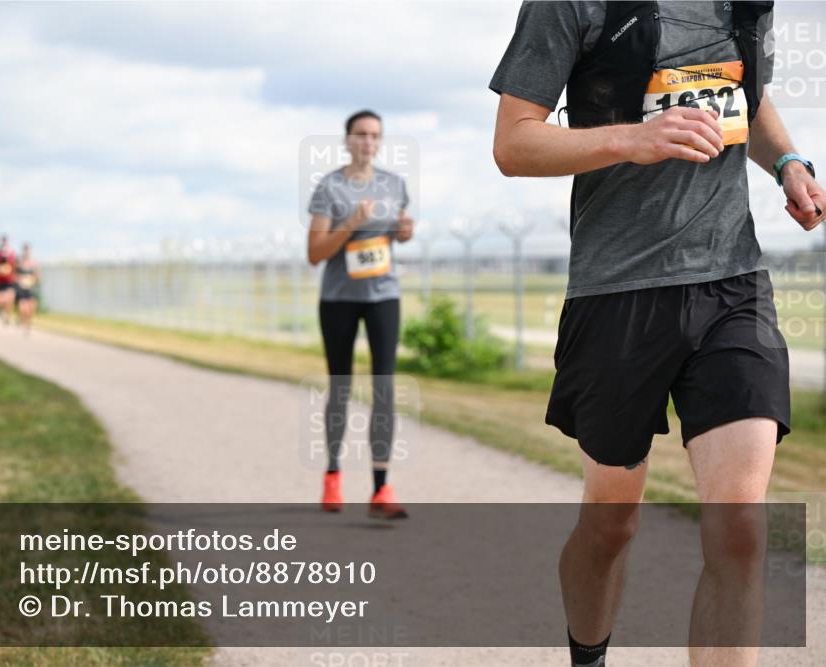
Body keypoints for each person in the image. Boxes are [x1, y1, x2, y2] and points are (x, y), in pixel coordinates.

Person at [490, 2, 824, 666]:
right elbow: (514, 143)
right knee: (611, 523)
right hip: (616, 292)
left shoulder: (746, 5)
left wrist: (787, 160)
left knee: (740, 525)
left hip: (732, 284)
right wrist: (631, 140)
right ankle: (589, 656)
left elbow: (747, 97)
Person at [307, 109, 414, 520]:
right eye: (361, 134)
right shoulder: (329, 187)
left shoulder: (394, 184)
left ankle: (381, 487)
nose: (368, 141)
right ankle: (333, 475)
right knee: (341, 387)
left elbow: (394, 236)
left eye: (374, 135)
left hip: (383, 295)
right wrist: (350, 223)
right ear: (347, 140)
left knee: (384, 388)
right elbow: (315, 253)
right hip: (339, 298)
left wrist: (404, 232)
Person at [0, 234, 17, 326]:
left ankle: (7, 317)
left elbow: (15, 268)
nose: (5, 242)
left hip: (9, 281)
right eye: (3, 240)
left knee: (9, 299)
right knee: (0, 300)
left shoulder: (12, 253)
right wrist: (0, 269)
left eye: (6, 240)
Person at [14, 243, 40, 335]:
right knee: (23, 308)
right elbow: (14, 275)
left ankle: (27, 323)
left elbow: (38, 277)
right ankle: (23, 322)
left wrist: (32, 279)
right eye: (25, 250)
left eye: (28, 250)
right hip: (21, 288)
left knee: (31, 307)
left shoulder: (34, 263)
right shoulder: (19, 262)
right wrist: (19, 279)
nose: (26, 252)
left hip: (30, 288)